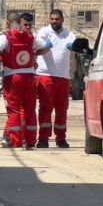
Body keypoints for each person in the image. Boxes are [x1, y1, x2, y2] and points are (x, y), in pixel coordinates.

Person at [0, 12, 43, 149]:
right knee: (30, 109)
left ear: (8, 23)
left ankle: (16, 141)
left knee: (14, 110)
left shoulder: (6, 36)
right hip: (30, 77)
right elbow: (46, 47)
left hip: (13, 77)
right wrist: (33, 57)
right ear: (19, 22)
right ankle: (31, 141)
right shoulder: (31, 36)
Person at [34, 9, 77, 149]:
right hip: (45, 76)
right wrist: (45, 45)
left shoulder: (69, 35)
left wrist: (74, 47)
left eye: (57, 19)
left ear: (62, 20)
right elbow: (37, 46)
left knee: (62, 109)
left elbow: (76, 47)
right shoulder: (44, 32)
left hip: (63, 77)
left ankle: (61, 138)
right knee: (45, 108)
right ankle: (43, 138)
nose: (54, 21)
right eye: (52, 19)